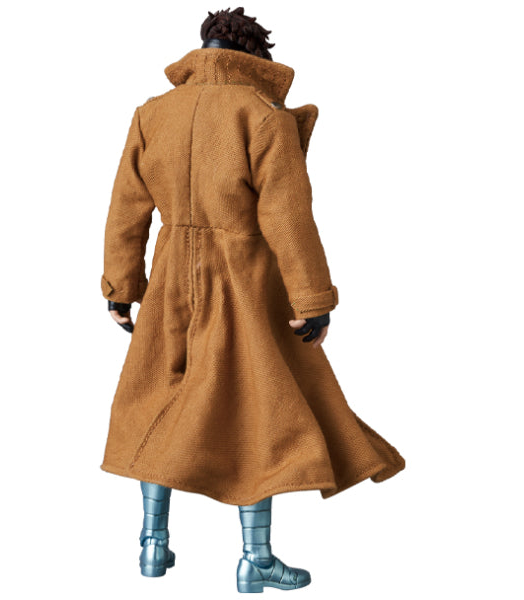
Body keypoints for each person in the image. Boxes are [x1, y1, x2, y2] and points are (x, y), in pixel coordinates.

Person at [100, 7, 406, 593]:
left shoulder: (152, 113)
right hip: (242, 280)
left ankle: (152, 544)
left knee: (157, 402)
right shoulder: (262, 115)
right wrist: (312, 297)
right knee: (257, 411)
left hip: (168, 280)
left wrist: (121, 286)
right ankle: (255, 558)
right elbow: (289, 217)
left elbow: (126, 208)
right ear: (254, 55)